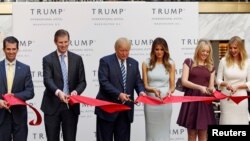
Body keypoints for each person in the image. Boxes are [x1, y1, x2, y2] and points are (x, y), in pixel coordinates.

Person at [95, 37, 146, 141]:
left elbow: (137, 81)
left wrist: (141, 92)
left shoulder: (134, 63)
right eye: (122, 50)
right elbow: (104, 82)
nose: (125, 53)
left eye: (127, 50)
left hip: (125, 111)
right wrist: (119, 94)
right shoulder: (105, 61)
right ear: (115, 49)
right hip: (107, 110)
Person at [41, 29, 87, 141]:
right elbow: (47, 80)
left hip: (71, 106)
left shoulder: (77, 59)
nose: (63, 45)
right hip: (52, 106)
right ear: (55, 42)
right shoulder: (47, 59)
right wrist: (59, 92)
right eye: (61, 42)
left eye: (66, 42)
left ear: (69, 41)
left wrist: (75, 92)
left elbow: (82, 82)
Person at [177, 39, 216, 141]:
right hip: (191, 100)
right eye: (203, 51)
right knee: (191, 134)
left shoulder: (211, 67)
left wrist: (212, 90)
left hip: (205, 102)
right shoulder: (189, 62)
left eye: (207, 52)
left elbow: (211, 86)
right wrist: (200, 87)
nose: (205, 53)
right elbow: (184, 81)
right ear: (198, 50)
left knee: (203, 135)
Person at [0, 36, 34, 141]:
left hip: (19, 117)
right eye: (8, 49)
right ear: (3, 49)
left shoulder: (25, 68)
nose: (11, 52)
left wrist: (14, 97)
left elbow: (30, 92)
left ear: (18, 49)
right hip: (1, 116)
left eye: (14, 49)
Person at [142, 37, 175, 141]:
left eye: (162, 49)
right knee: (151, 132)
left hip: (165, 100)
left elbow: (172, 85)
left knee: (164, 131)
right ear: (153, 50)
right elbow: (145, 85)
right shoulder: (146, 63)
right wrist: (153, 90)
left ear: (165, 50)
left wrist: (170, 91)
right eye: (157, 49)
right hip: (151, 101)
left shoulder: (170, 63)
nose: (159, 52)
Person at [216, 36, 250, 125]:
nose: (232, 50)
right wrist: (225, 83)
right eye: (230, 48)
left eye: (235, 48)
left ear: (240, 48)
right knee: (227, 122)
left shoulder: (247, 62)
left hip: (241, 99)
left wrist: (238, 86)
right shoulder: (223, 61)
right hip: (226, 98)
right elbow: (218, 80)